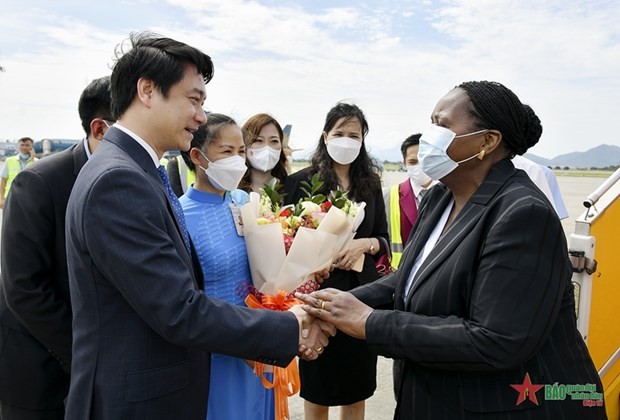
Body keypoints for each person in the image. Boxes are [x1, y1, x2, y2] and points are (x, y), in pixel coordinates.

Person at [63, 32, 333, 420]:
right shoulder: (118, 181)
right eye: (194, 99)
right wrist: (289, 327)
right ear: (148, 91)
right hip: (136, 403)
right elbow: (179, 310)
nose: (202, 116)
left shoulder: (134, 170)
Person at [297, 81, 606, 419]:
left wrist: (370, 322)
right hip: (432, 398)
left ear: (487, 141)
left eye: (442, 125)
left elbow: (496, 339)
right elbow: (410, 278)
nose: (429, 135)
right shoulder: (440, 197)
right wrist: (329, 306)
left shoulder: (522, 213)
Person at [0, 76, 113, 420]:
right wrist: (88, 355)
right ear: (101, 129)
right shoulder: (40, 181)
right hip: (42, 368)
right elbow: (24, 287)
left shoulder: (141, 178)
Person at [283, 103, 389, 420]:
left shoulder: (370, 183)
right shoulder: (301, 181)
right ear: (325, 136)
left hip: (361, 297)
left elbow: (383, 236)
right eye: (339, 133)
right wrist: (313, 260)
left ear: (362, 140)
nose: (346, 140)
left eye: (353, 135)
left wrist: (364, 244)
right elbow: (285, 237)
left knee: (356, 389)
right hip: (318, 296)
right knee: (318, 385)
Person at [178, 114, 275, 419]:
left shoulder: (245, 201)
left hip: (259, 345)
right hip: (216, 355)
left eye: (241, 151)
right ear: (197, 156)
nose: (237, 160)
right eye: (226, 152)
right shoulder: (179, 216)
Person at [383, 134, 434, 269]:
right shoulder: (388, 196)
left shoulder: (452, 195)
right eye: (413, 162)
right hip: (398, 275)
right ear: (404, 163)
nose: (419, 166)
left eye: (424, 160)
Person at [239, 113, 288, 192]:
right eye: (259, 140)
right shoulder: (230, 190)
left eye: (274, 141)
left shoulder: (291, 188)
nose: (267, 148)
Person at [0, 137, 37, 208]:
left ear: (32, 147)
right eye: (22, 145)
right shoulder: (9, 161)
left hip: (29, 197)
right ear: (18, 146)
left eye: (27, 145)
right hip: (10, 196)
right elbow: (3, 181)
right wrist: (1, 199)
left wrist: (32, 159)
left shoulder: (36, 162)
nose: (24, 147)